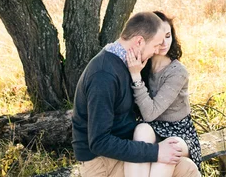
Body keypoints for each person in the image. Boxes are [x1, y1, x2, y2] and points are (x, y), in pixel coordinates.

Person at [72, 11, 200, 177]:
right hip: (102, 162)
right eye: (155, 46)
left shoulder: (128, 64)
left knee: (187, 168)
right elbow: (99, 142)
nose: (156, 51)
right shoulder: (104, 75)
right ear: (139, 41)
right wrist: (155, 152)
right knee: (177, 167)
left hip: (124, 149)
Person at [125, 11, 202, 177]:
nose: (164, 42)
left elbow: (150, 113)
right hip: (153, 127)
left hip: (179, 132)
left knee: (168, 150)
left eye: (168, 36)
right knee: (141, 130)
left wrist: (136, 77)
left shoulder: (177, 72)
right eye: (159, 37)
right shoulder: (142, 64)